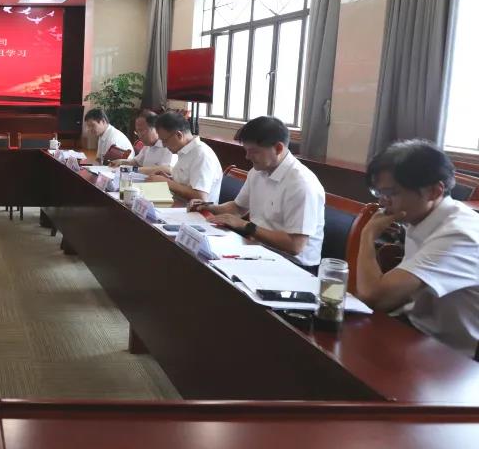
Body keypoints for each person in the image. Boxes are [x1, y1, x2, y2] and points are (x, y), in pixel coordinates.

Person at [355, 140, 479, 355]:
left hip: (451, 354)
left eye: (391, 193)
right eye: (379, 193)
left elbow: (374, 297)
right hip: (415, 328)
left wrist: (367, 235)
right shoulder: (421, 216)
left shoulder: (459, 234)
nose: (383, 203)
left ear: (434, 191)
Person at [189, 116, 325, 268]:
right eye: (246, 150)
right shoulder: (258, 171)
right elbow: (237, 208)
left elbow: (295, 245)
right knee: (199, 256)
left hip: (293, 264)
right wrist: (208, 207)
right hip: (259, 250)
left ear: (278, 149)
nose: (247, 157)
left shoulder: (301, 184)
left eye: (253, 151)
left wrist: (246, 226)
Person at [147, 112, 222, 204]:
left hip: (196, 211)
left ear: (179, 135)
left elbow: (201, 197)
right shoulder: (184, 151)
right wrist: (170, 179)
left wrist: (167, 182)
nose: (163, 145)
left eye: (165, 140)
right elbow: (186, 183)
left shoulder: (201, 154)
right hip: (178, 204)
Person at [110, 110, 175, 173]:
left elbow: (167, 169)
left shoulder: (168, 145)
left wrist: (132, 170)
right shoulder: (147, 145)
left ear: (156, 128)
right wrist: (121, 162)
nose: (139, 135)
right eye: (137, 132)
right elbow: (136, 162)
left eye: (141, 131)